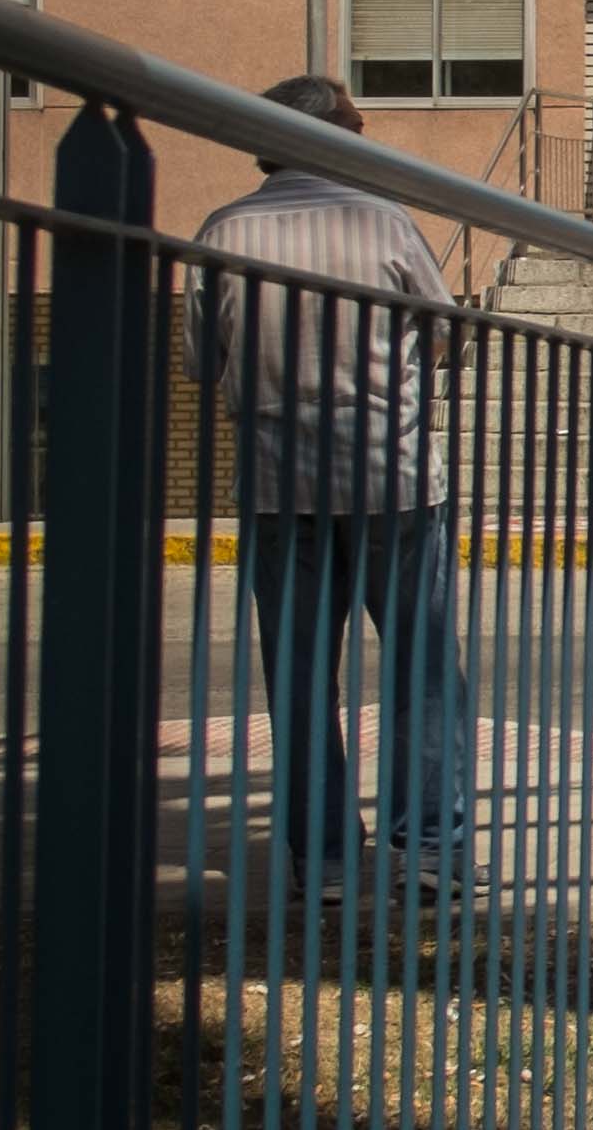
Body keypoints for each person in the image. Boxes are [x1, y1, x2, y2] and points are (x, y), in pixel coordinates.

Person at [188, 75, 473, 888]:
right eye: (356, 121)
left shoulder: (223, 229)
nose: (365, 129)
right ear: (333, 136)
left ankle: (324, 856)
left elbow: (201, 362)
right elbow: (447, 332)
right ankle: (431, 851)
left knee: (302, 672)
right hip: (396, 480)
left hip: (280, 485)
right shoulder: (383, 221)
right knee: (421, 664)